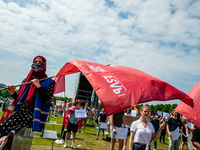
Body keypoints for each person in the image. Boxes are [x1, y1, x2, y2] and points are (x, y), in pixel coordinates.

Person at [0, 55, 55, 138]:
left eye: (40, 62)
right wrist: (13, 93)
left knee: (10, 133)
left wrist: (39, 87)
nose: (37, 63)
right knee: (2, 129)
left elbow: (47, 102)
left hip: (31, 116)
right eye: (35, 62)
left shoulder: (49, 82)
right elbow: (20, 100)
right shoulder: (26, 80)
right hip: (20, 113)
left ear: (44, 65)